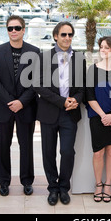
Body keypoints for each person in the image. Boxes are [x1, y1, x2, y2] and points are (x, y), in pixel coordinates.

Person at [32, 21, 86, 206]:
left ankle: (64, 188)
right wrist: (61, 101)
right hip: (49, 112)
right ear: (56, 36)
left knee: (67, 151)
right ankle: (52, 188)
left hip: (70, 114)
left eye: (70, 34)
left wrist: (75, 100)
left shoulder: (79, 58)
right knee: (48, 152)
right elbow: (38, 85)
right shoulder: (43, 57)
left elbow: (82, 87)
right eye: (63, 34)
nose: (67, 38)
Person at [0, 15, 40, 196]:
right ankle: (4, 182)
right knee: (3, 146)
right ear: (7, 30)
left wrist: (21, 102)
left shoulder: (34, 51)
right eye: (10, 28)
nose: (14, 31)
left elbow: (37, 81)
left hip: (26, 107)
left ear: (23, 30)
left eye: (17, 28)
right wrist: (11, 101)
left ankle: (27, 181)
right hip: (3, 107)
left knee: (26, 146)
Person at [85, 36, 111, 202]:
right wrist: (103, 115)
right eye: (101, 47)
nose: (103, 50)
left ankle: (108, 185)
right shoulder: (92, 69)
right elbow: (90, 96)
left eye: (107, 48)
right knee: (98, 152)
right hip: (97, 116)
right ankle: (98, 184)